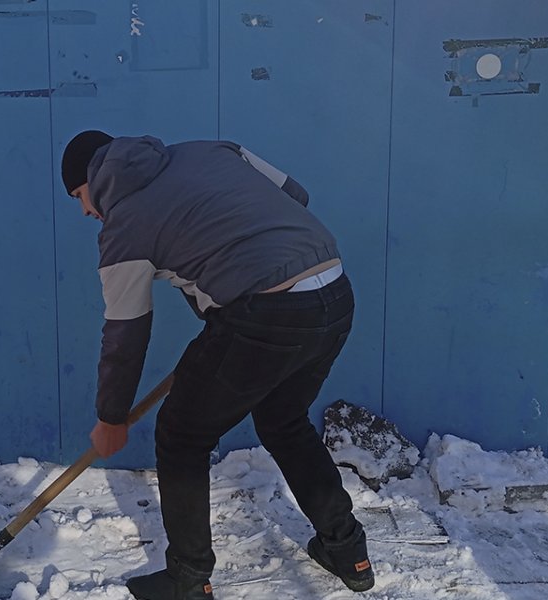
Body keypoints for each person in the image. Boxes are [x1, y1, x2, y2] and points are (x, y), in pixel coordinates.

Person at [59, 131, 374, 599]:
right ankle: (348, 551)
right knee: (284, 420)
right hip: (333, 289)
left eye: (79, 197)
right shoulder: (214, 150)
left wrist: (110, 416)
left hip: (267, 311)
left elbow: (125, 333)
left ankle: (187, 579)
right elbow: (295, 195)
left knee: (182, 435)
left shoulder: (123, 226)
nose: (85, 211)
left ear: (92, 180)